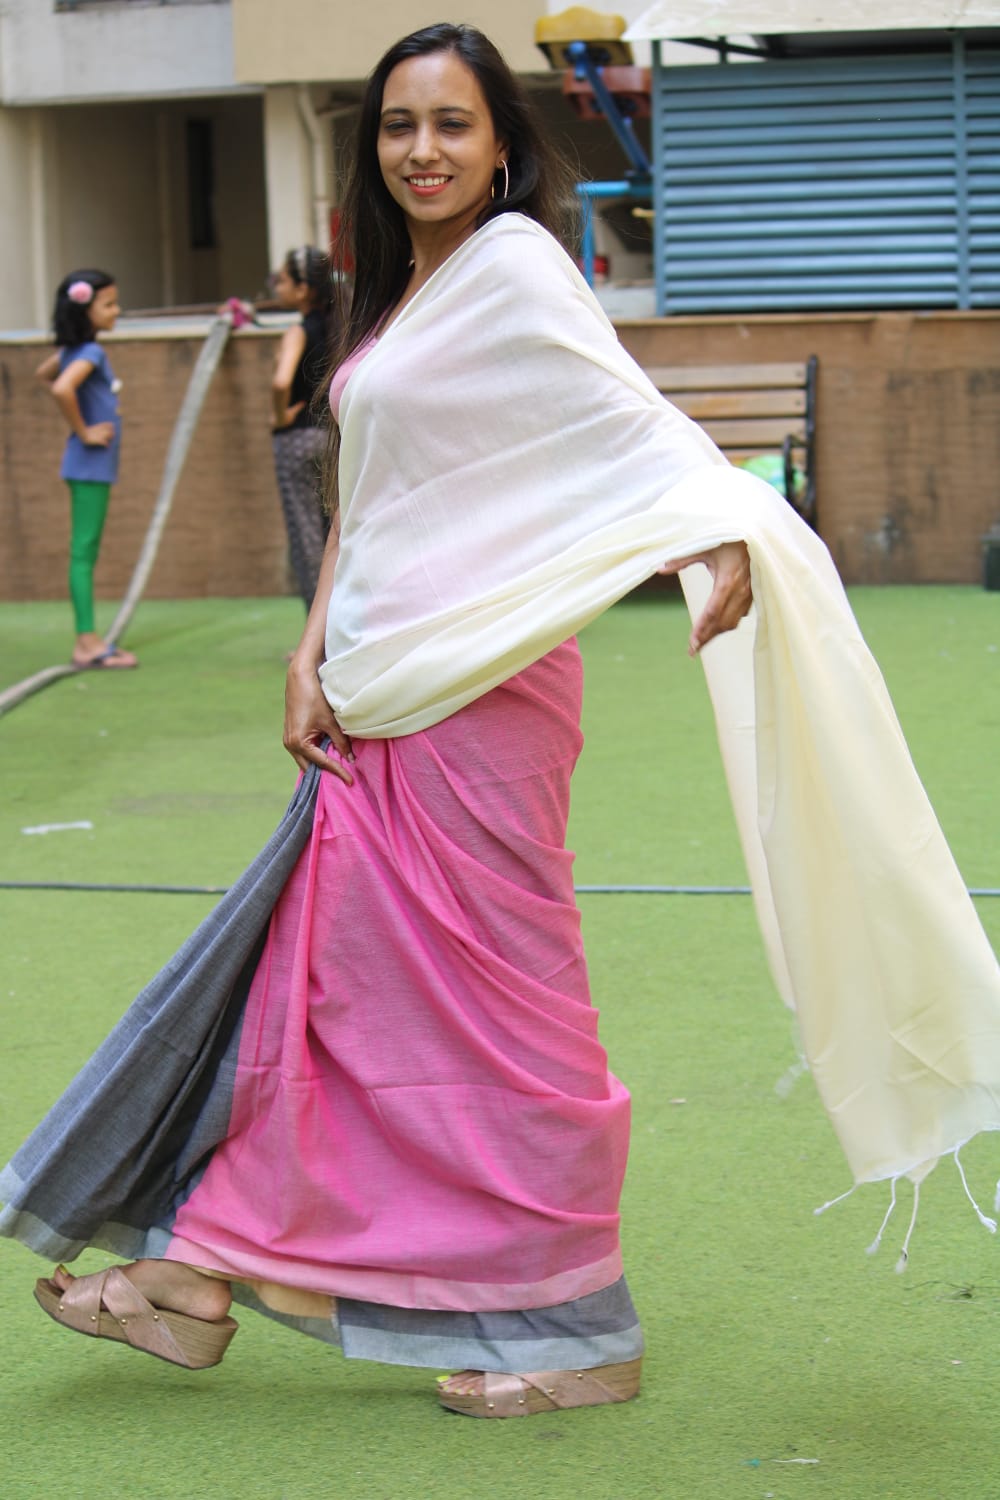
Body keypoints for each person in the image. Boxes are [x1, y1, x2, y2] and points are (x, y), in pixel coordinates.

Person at [5, 22, 1000, 1420]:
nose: (421, 150)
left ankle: (580, 1330)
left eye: (451, 124)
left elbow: (624, 422)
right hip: (374, 690)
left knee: (505, 1010)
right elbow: (370, 495)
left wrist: (722, 529)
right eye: (398, 125)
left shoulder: (519, 267)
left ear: (501, 147)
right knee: (330, 990)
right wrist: (307, 649)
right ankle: (204, 1271)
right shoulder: (395, 294)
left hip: (482, 695)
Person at [35, 269, 137, 670]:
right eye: (108, 304)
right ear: (84, 310)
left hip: (89, 465)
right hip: (89, 464)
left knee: (84, 550)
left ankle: (88, 638)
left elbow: (45, 375)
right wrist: (85, 430)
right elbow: (62, 388)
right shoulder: (90, 352)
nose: (117, 310)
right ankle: (86, 642)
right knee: (83, 551)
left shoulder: (75, 351)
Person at [269, 247, 337, 609]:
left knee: (305, 534)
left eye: (282, 280)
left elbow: (282, 382)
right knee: (335, 532)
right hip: (332, 439)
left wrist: (279, 415)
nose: (276, 287)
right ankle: (337, 621)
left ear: (303, 289)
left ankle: (314, 627)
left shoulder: (298, 331)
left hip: (296, 440)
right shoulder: (343, 326)